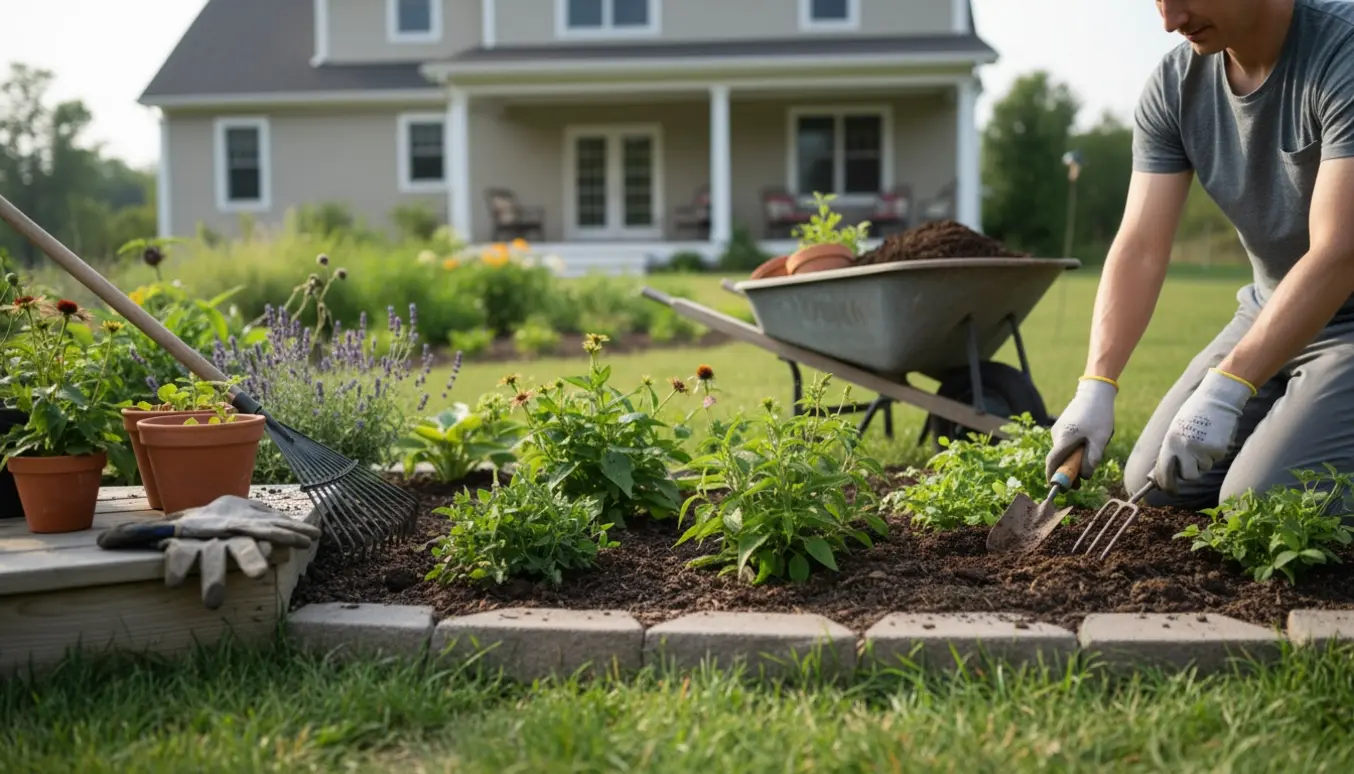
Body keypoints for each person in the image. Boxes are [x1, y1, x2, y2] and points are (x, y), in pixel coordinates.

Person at [1046, 0, 1354, 512]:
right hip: (1268, 307)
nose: (1170, 21)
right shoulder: (1175, 84)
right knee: (1156, 480)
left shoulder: (1341, 50)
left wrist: (1231, 384)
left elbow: (1340, 250)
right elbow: (1141, 246)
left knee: (1257, 501)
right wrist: (1097, 384)